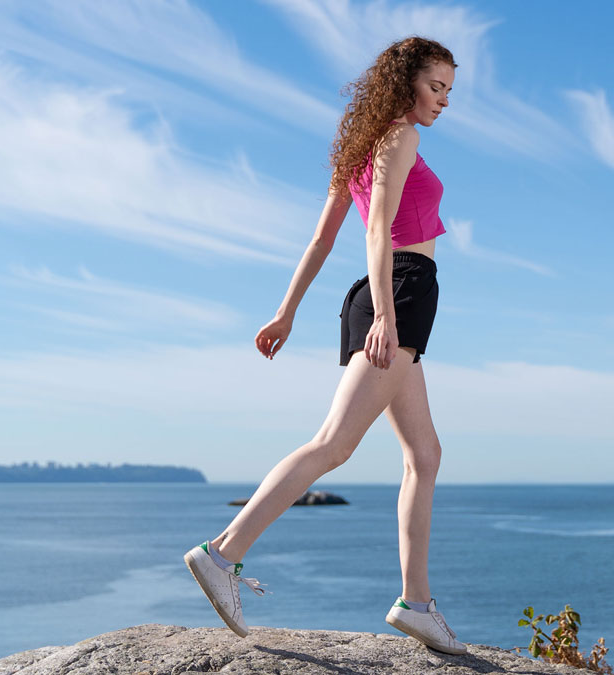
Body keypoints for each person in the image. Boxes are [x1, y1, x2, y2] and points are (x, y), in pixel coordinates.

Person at [183, 36, 464, 655]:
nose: (443, 101)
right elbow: (376, 227)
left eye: (449, 90)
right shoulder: (399, 137)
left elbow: (319, 244)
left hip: (384, 296)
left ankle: (417, 604)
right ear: (405, 83)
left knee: (425, 454)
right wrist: (388, 314)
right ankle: (221, 554)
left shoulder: (361, 148)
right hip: (401, 294)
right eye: (435, 86)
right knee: (333, 445)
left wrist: (286, 313)